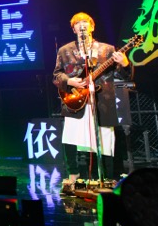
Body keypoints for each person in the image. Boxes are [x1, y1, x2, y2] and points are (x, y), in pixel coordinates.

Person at [53, 12, 133, 193]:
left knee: (104, 140)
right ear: (73, 29)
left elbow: (124, 76)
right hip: (75, 100)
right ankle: (73, 175)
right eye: (77, 23)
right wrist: (70, 81)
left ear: (92, 26)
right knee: (71, 138)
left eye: (85, 22)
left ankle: (106, 177)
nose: (82, 25)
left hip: (102, 100)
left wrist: (125, 63)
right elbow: (56, 76)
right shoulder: (64, 51)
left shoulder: (107, 49)